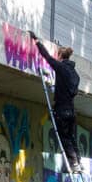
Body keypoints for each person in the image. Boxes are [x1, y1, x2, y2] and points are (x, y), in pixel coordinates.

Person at [29, 31, 80, 170]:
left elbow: (46, 57)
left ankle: (74, 162)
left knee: (64, 138)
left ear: (60, 56)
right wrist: (54, 87)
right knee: (71, 137)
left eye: (57, 55)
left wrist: (36, 41)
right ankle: (78, 163)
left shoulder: (61, 67)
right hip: (72, 111)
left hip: (62, 111)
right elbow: (68, 90)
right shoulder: (75, 74)